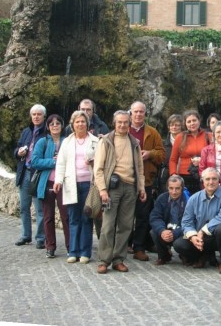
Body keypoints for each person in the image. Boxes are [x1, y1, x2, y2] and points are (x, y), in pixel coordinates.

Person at [93, 110, 148, 274]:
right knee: (108, 225)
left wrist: (141, 187)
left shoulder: (134, 142)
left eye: (125, 122)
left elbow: (139, 167)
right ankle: (104, 260)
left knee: (125, 226)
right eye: (120, 122)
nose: (123, 125)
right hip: (112, 188)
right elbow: (99, 168)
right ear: (114, 123)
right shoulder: (106, 141)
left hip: (130, 187)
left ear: (129, 123)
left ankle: (118, 259)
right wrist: (102, 189)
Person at [52, 110, 99, 263]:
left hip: (89, 184)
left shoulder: (95, 141)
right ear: (73, 125)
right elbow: (61, 164)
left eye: (83, 121)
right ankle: (73, 251)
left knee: (86, 217)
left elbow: (101, 162)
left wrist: (93, 162)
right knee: (73, 219)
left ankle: (85, 252)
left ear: (87, 123)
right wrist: (58, 181)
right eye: (77, 122)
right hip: (71, 183)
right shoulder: (67, 142)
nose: (80, 124)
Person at [175, 168, 221, 274]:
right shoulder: (194, 198)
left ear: (219, 180)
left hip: (220, 237)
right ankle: (202, 256)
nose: (211, 182)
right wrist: (193, 236)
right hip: (200, 237)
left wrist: (203, 230)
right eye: (207, 179)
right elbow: (186, 221)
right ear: (202, 181)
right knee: (179, 244)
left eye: (214, 179)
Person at [128, 101, 166, 262]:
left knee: (143, 215)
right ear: (131, 113)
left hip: (146, 180)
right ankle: (124, 245)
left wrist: (150, 154)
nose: (138, 114)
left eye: (141, 112)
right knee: (126, 215)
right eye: (135, 112)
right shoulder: (123, 129)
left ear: (145, 114)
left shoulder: (152, 132)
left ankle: (139, 247)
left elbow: (162, 155)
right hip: (126, 180)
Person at [29, 114, 66, 258]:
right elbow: (35, 161)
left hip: (63, 183)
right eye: (52, 124)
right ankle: (50, 246)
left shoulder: (67, 141)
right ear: (48, 126)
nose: (55, 126)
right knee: (48, 216)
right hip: (46, 183)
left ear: (62, 126)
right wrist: (52, 162)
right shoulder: (42, 142)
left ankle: (70, 246)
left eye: (58, 123)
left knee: (66, 216)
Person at [14, 104, 49, 247]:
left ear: (44, 116)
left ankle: (41, 238)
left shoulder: (47, 133)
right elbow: (16, 149)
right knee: (24, 207)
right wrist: (18, 152)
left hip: (39, 175)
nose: (36, 117)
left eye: (39, 114)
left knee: (40, 208)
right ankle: (25, 235)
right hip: (25, 173)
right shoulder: (26, 132)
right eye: (34, 114)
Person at [149, 175, 190, 265]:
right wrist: (162, 230)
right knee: (154, 232)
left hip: (182, 232)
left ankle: (186, 256)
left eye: (177, 188)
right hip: (167, 229)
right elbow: (155, 217)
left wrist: (175, 233)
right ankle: (164, 256)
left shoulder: (189, 200)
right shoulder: (162, 198)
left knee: (179, 244)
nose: (174, 192)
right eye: (171, 188)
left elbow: (190, 223)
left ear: (182, 188)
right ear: (167, 187)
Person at [169, 110, 211, 194]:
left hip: (204, 175)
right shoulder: (180, 137)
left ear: (199, 121)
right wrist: (173, 175)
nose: (192, 123)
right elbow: (173, 159)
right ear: (185, 124)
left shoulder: (208, 136)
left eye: (194, 120)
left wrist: (202, 160)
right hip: (184, 176)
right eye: (189, 121)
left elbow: (214, 157)